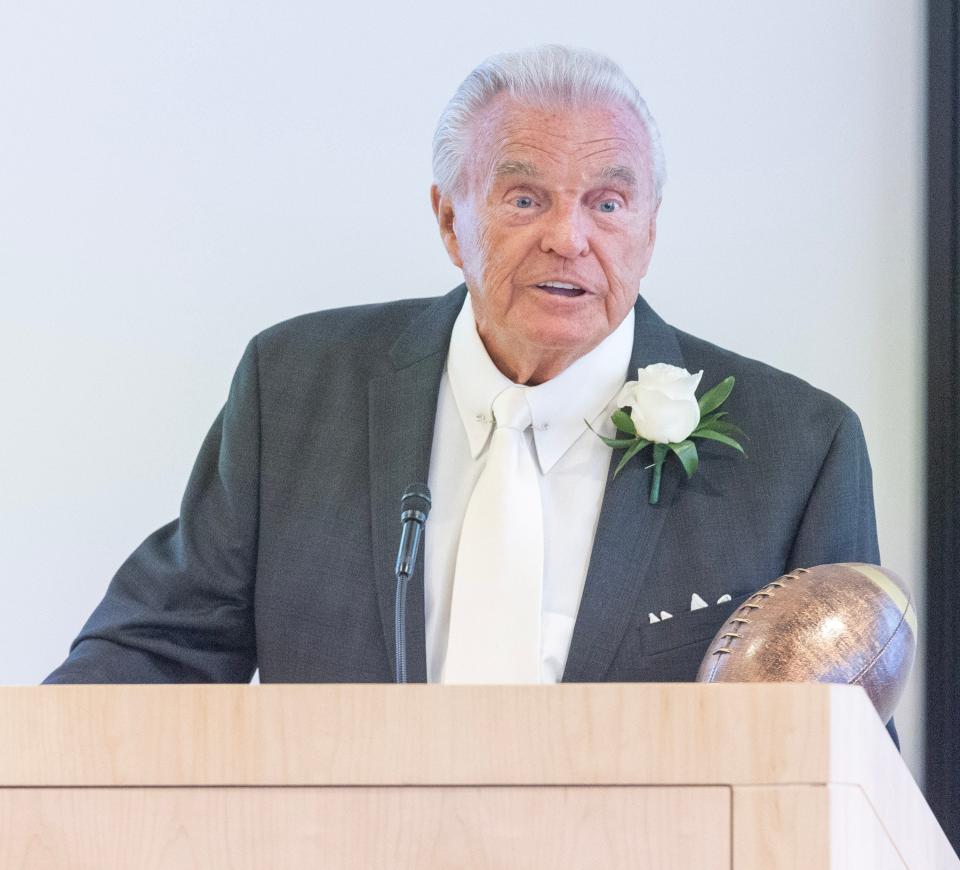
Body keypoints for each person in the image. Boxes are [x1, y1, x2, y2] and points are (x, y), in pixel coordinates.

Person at [43, 44, 897, 744]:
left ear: (650, 226)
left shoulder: (796, 450)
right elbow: (159, 652)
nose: (569, 238)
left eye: (608, 202)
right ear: (451, 221)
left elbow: (847, 759)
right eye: (525, 197)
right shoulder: (295, 389)